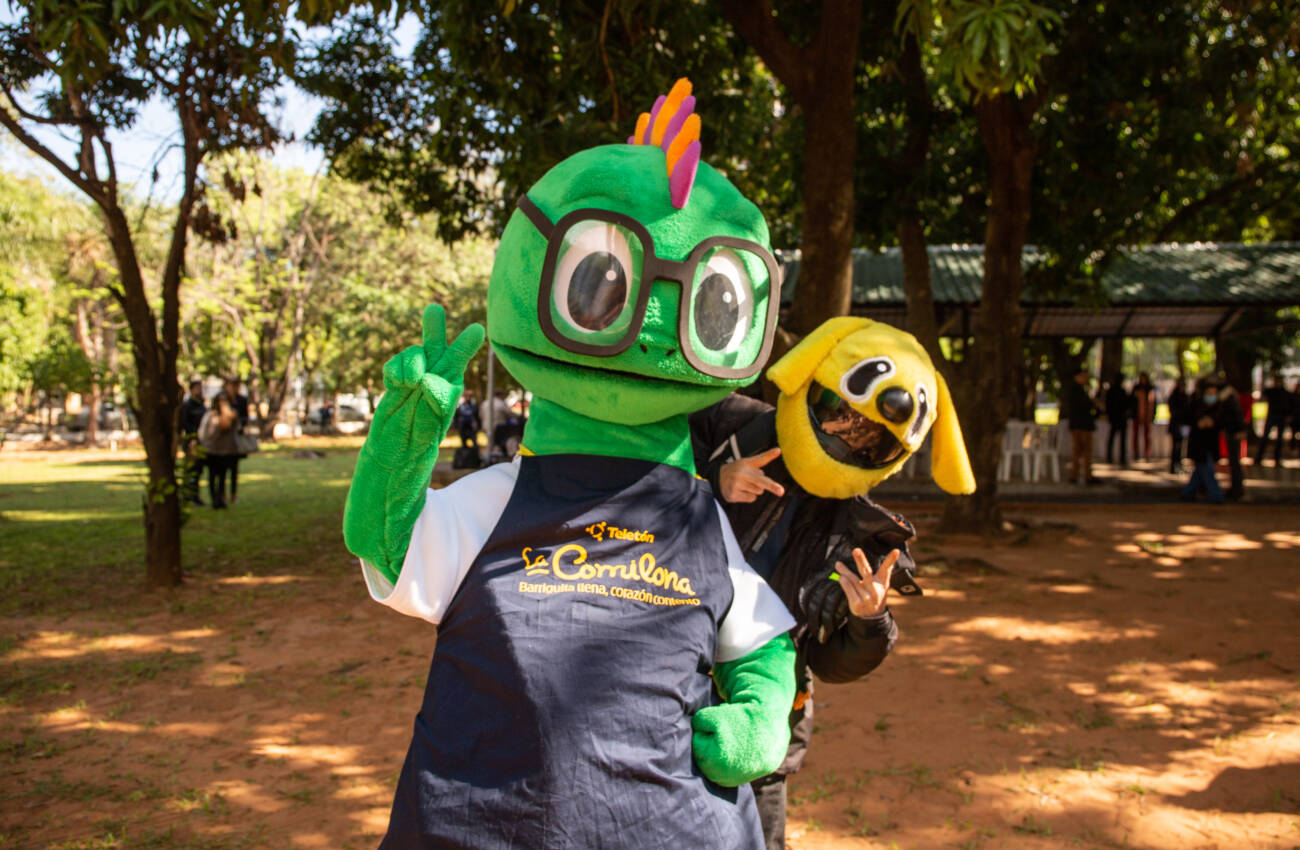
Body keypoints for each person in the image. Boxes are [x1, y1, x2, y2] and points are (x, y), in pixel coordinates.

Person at [1181, 379, 1225, 504]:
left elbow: (1222, 422)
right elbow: (1186, 418)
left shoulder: (1218, 407)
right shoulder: (1195, 405)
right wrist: (1198, 423)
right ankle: (1216, 496)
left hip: (1210, 445)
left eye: (1214, 393)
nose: (1212, 396)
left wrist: (1213, 423)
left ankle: (1188, 493)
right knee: (1207, 470)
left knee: (1201, 471)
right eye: (1209, 393)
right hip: (1199, 445)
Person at [199, 389, 240, 509]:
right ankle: (221, 499)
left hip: (212, 450)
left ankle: (215, 499)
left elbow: (202, 433)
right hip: (226, 452)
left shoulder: (211, 416)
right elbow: (238, 430)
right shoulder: (232, 415)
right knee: (222, 476)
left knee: (212, 476)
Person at [1065, 367, 1100, 484]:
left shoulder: (1078, 389)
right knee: (1083, 451)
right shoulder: (1076, 390)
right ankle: (1084, 476)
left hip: (1080, 424)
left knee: (1080, 451)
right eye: (1085, 376)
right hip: (1081, 425)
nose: (1087, 378)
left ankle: (1078, 475)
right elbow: (1083, 406)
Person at [178, 378, 208, 505]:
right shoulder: (187, 406)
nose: (199, 390)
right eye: (197, 388)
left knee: (198, 470)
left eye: (200, 388)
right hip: (191, 442)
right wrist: (194, 437)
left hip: (202, 441)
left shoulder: (202, 405)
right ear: (191, 390)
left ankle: (195, 496)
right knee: (191, 469)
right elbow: (185, 424)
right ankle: (187, 496)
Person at [1218, 376, 1246, 500]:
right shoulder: (1230, 397)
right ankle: (1236, 488)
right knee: (1234, 462)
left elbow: (1237, 416)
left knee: (1234, 462)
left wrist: (1239, 430)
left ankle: (1237, 489)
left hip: (1233, 433)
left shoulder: (1229, 398)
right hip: (1232, 432)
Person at [1255, 373, 1293, 466]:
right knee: (1265, 437)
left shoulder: (1285, 393)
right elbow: (1264, 393)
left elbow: (1290, 404)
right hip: (1272, 416)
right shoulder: (1271, 391)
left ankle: (1277, 459)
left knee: (1280, 440)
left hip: (1281, 417)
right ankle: (1259, 458)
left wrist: (1288, 415)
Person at [224, 377, 250, 504]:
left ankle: (233, 494)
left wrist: (238, 422)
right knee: (222, 468)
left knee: (234, 468)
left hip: (236, 437)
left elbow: (246, 417)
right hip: (223, 438)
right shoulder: (223, 399)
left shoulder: (242, 400)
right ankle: (222, 494)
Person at [1104, 373, 1130, 467]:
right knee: (1114, 438)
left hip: (1119, 418)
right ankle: (1111, 457)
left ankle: (1119, 457)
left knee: (1120, 439)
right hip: (1117, 418)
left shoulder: (1120, 391)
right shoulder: (1114, 391)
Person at [1167, 379, 1191, 474]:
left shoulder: (1186, 397)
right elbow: (1173, 411)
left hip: (1184, 425)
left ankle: (1179, 464)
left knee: (1181, 446)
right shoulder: (1174, 397)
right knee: (1175, 447)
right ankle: (1174, 466)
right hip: (1175, 426)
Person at [1131, 371, 1156, 461]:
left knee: (1147, 436)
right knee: (1135, 435)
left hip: (1147, 416)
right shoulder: (1136, 388)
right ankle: (1136, 453)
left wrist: (1152, 415)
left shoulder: (1150, 389)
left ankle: (1147, 454)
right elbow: (1132, 402)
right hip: (1137, 416)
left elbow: (1153, 403)